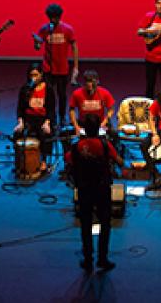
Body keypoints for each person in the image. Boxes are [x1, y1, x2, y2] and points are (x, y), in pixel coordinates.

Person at [65, 113, 123, 272]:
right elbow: (119, 161)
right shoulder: (105, 145)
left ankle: (88, 259)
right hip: (102, 188)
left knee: (86, 224)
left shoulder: (77, 146)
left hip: (84, 189)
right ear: (98, 129)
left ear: (83, 128)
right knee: (105, 224)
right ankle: (102, 259)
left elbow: (68, 160)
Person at [33, 3, 79, 127]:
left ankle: (62, 117)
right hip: (48, 68)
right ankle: (50, 118)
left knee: (62, 95)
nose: (54, 20)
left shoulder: (67, 29)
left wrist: (75, 67)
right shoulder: (44, 29)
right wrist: (36, 43)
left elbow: (74, 46)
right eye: (51, 18)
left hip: (62, 68)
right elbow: (38, 47)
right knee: (48, 95)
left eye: (56, 17)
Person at [13, 63, 56, 168]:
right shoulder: (25, 89)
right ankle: (21, 160)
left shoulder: (48, 89)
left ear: (41, 75)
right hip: (29, 119)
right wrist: (20, 122)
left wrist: (47, 123)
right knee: (17, 133)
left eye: (36, 75)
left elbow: (51, 109)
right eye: (31, 75)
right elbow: (20, 108)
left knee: (45, 133)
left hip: (43, 119)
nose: (34, 78)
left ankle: (44, 160)